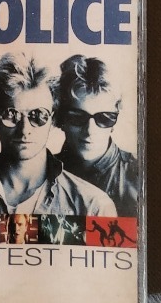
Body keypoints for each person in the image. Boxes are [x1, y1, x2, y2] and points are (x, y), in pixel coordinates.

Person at [0, 53, 116, 218]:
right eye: (11, 114)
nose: (25, 130)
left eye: (38, 115)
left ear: (53, 119)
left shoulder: (93, 206)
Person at [56, 54, 140, 217]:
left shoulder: (139, 177)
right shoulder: (38, 176)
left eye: (104, 118)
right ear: (60, 119)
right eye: (77, 117)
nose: (89, 130)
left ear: (114, 121)